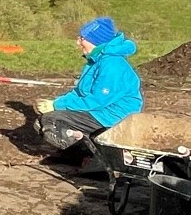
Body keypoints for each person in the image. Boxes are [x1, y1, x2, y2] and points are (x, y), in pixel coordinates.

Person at [35, 16, 142, 156]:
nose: (78, 42)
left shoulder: (112, 65)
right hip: (99, 112)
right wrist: (56, 103)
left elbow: (97, 100)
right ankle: (81, 150)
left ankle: (90, 152)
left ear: (95, 41)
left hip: (113, 118)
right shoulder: (96, 61)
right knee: (42, 123)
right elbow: (80, 92)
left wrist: (57, 105)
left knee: (52, 121)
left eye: (82, 38)